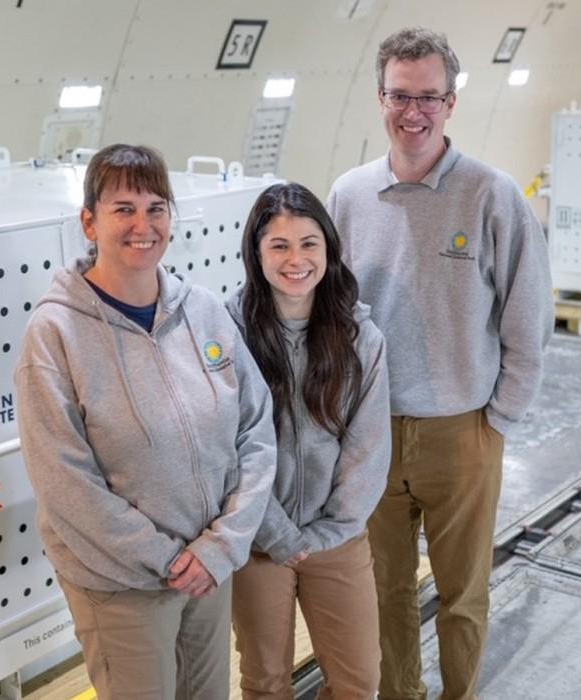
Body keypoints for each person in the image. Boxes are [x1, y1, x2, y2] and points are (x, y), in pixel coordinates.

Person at [325, 28, 554, 700]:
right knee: (384, 593)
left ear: (451, 104)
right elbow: (333, 318)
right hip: (372, 435)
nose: (414, 111)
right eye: (401, 95)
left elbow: (527, 318)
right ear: (379, 98)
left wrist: (499, 418)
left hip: (464, 432)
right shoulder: (348, 196)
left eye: (429, 97)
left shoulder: (491, 194)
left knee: (463, 595)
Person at [15, 144, 276, 699]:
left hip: (209, 567)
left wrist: (220, 548)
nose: (143, 224)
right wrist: (166, 558)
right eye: (123, 208)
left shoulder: (202, 310)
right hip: (123, 584)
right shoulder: (56, 334)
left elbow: (256, 430)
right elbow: (64, 481)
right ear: (89, 222)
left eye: (157, 207)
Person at [226, 183, 391, 699]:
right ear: (256, 253)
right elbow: (223, 445)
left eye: (308, 244)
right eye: (279, 245)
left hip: (336, 537)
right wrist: (274, 531)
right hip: (257, 538)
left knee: (358, 679)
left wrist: (329, 531)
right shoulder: (230, 333)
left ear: (328, 250)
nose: (295, 259)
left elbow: (368, 447)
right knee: (266, 680)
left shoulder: (360, 338)